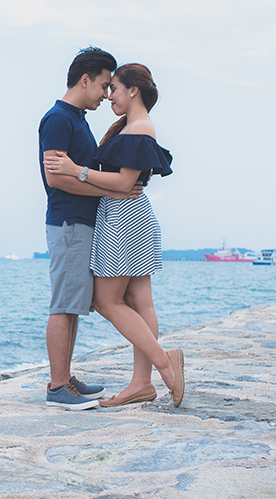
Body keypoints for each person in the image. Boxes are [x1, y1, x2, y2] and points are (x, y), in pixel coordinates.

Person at [44, 63, 184, 408]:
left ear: (132, 90)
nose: (109, 96)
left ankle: (165, 365)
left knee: (108, 301)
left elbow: (123, 184)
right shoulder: (128, 125)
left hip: (123, 219)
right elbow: (120, 183)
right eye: (106, 88)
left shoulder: (137, 128)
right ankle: (141, 382)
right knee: (139, 301)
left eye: (115, 88)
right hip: (125, 217)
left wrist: (77, 171)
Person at [39, 47, 143, 410]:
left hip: (82, 222)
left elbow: (74, 172)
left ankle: (65, 379)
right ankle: (57, 386)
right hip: (69, 221)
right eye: (102, 85)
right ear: (85, 80)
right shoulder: (58, 119)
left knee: (74, 303)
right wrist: (112, 187)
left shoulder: (77, 118)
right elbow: (56, 180)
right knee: (64, 304)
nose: (105, 93)